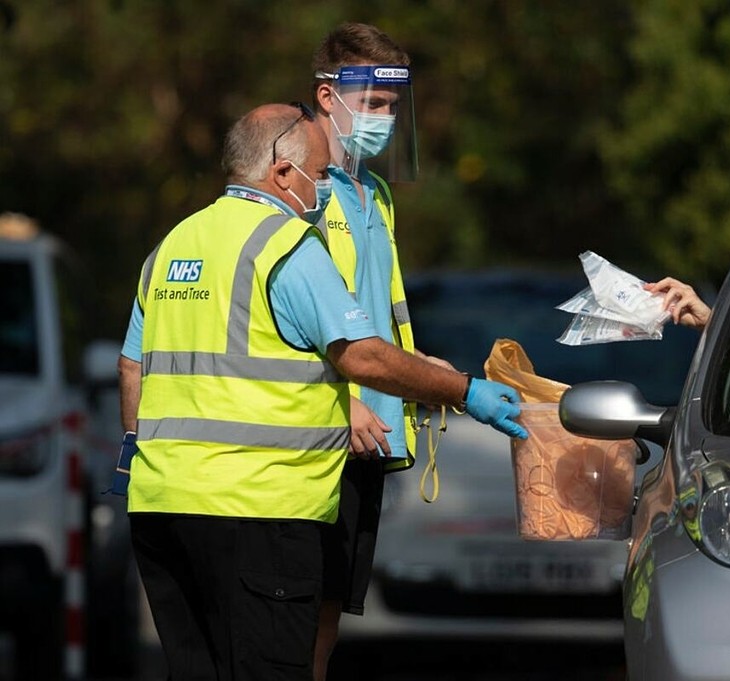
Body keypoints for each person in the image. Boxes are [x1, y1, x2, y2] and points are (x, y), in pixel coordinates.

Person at [116, 102, 528, 681]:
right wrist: (463, 391)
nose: (326, 186)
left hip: (162, 513)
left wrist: (145, 455)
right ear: (283, 173)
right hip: (260, 514)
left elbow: (131, 367)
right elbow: (361, 354)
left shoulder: (174, 244)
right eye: (318, 170)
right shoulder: (286, 245)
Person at [305, 23, 457, 680]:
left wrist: (424, 372)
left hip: (371, 437)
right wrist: (343, 406)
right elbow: (294, 317)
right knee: (296, 608)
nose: (384, 119)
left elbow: (377, 309)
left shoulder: (379, 194)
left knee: (330, 609)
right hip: (322, 431)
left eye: (393, 106)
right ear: (326, 96)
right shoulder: (300, 190)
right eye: (370, 101)